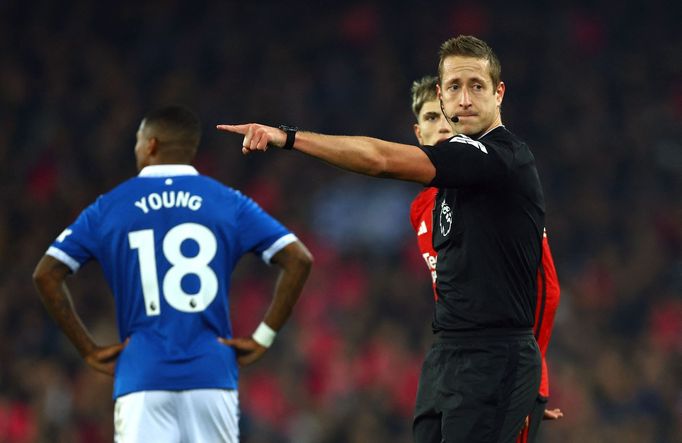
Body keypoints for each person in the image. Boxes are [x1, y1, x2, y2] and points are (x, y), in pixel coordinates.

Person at [219, 35, 546, 442]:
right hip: (447, 355)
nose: (464, 100)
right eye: (454, 88)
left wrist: (287, 137)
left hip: (495, 355)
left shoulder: (500, 157)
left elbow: (381, 159)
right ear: (441, 98)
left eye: (476, 86)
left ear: (499, 94)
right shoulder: (440, 195)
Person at [33, 105, 313, 443]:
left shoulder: (110, 206)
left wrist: (88, 349)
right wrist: (263, 338)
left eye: (137, 142)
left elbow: (46, 274)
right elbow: (298, 258)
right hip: (212, 373)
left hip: (142, 375)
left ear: (150, 145)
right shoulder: (227, 202)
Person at [408, 76, 563, 441]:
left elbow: (547, 289)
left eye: (446, 117)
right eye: (431, 118)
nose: (442, 125)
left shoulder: (492, 188)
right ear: (418, 134)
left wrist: (531, 386)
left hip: (502, 360)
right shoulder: (420, 208)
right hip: (453, 360)